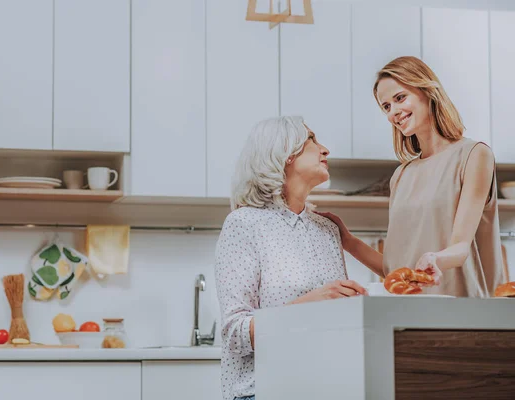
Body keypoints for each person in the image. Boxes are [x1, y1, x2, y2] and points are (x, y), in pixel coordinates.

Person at [317, 56, 504, 297]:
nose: (394, 112)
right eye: (386, 106)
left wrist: (435, 259)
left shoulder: (474, 155)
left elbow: (460, 248)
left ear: (427, 91)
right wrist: (348, 240)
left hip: (464, 312)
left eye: (399, 98)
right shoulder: (402, 175)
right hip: (408, 314)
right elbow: (393, 270)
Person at [214, 116, 368, 400]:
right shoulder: (244, 223)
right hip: (262, 392)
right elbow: (234, 334)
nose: (325, 150)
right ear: (284, 152)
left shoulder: (327, 229)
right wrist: (310, 303)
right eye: (312, 139)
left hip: (327, 390)